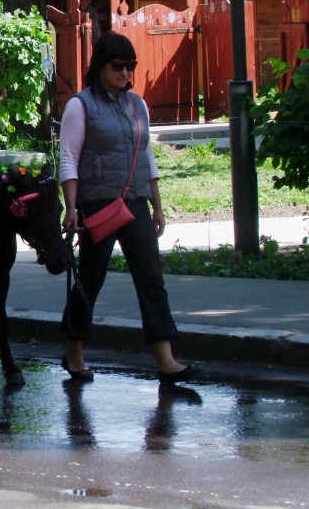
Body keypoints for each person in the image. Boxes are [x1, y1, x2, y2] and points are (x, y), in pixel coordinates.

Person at [58, 31, 199, 385]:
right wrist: (71, 208)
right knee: (90, 281)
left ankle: (166, 359)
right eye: (118, 66)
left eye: (130, 66)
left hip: (135, 203)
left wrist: (158, 206)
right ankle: (74, 350)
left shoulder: (138, 105)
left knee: (151, 280)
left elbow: (147, 156)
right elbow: (69, 159)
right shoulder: (80, 105)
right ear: (100, 66)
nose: (125, 73)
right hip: (98, 205)